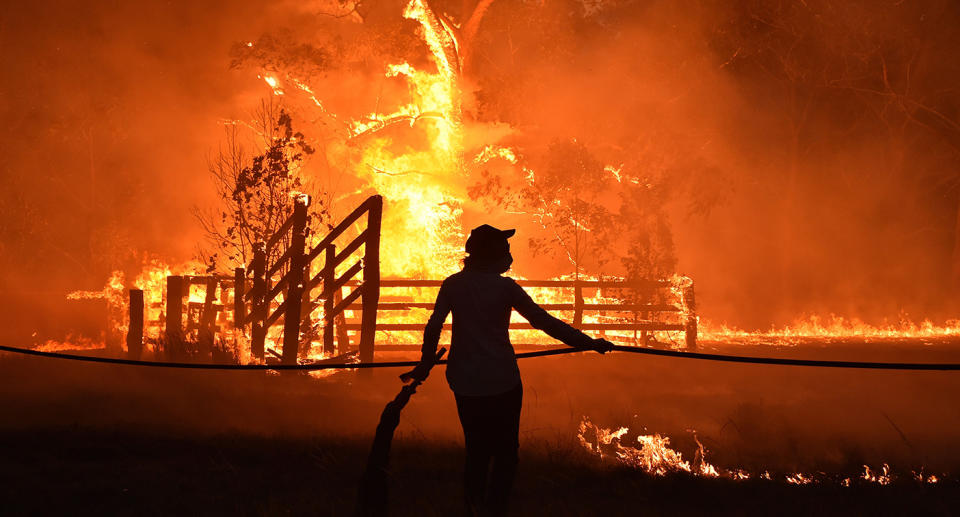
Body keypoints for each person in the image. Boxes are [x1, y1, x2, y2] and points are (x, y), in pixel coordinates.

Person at [401, 224, 613, 516]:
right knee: (506, 453)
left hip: (465, 380)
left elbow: (435, 324)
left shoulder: (453, 284)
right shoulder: (505, 288)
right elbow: (544, 322)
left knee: (477, 449)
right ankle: (496, 508)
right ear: (491, 254)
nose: (510, 256)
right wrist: (588, 342)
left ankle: (473, 506)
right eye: (505, 250)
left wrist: (426, 363)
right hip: (502, 380)